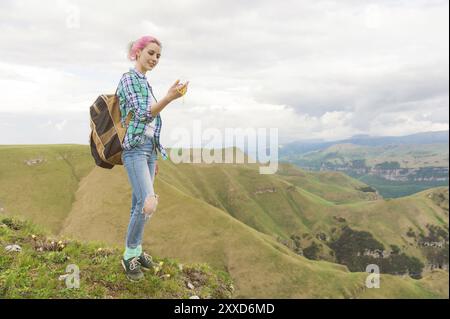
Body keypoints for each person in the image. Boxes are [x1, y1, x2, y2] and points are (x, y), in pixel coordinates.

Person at [116, 35, 188, 281]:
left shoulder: (144, 83)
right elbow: (142, 115)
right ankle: (128, 257)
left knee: (139, 206)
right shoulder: (129, 79)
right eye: (151, 53)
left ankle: (135, 250)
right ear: (137, 52)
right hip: (134, 149)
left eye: (158, 55)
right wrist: (168, 98)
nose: (155, 58)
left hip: (147, 150)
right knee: (148, 203)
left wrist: (154, 158)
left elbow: (151, 126)